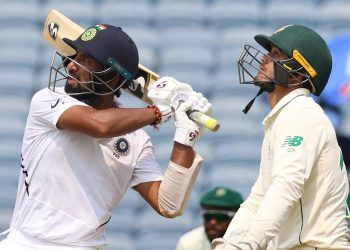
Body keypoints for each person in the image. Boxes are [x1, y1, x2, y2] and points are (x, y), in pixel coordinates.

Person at [0, 24, 212, 250]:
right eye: (75, 56)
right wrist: (162, 111)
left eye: (86, 61)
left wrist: (185, 136)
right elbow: (99, 125)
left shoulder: (136, 140)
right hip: (25, 243)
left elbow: (168, 204)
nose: (71, 65)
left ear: (112, 80)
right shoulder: (47, 100)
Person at [213, 24, 350, 249]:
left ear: (297, 73)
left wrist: (248, 244)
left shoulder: (301, 114)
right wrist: (230, 242)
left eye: (275, 54)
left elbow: (287, 185)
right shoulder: (286, 116)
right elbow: (258, 198)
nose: (263, 59)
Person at [176, 186, 243, 250]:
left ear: (236, 218)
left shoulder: (249, 242)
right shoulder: (188, 244)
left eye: (220, 217)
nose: (212, 222)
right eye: (208, 216)